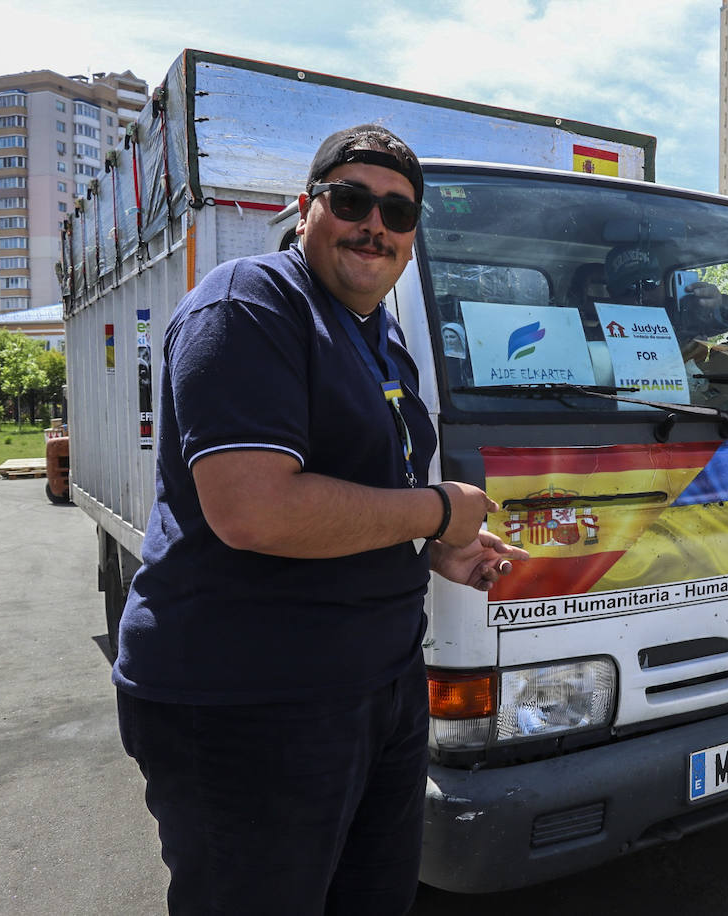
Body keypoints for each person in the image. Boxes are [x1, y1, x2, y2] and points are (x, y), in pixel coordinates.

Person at [113, 123, 527, 915]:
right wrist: (442, 509)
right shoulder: (250, 303)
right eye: (352, 200)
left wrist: (439, 550)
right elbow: (255, 510)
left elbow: (363, 495)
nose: (376, 225)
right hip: (253, 701)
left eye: (399, 214)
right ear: (306, 209)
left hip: (378, 687)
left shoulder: (384, 340)